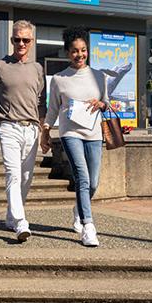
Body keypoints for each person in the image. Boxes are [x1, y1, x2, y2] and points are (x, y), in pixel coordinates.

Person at [40, 26, 108, 247]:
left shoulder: (99, 76)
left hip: (94, 132)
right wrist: (46, 130)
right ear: (67, 53)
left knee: (94, 181)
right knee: (83, 177)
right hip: (70, 133)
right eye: (75, 51)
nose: (80, 55)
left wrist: (101, 104)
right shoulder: (59, 79)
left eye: (83, 50)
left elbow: (106, 103)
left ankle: (79, 208)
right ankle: (88, 226)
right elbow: (52, 109)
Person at [0, 20, 46, 242]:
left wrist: (43, 130)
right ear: (12, 40)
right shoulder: (0, 66)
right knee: (13, 174)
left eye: (26, 40)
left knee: (27, 177)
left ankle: (11, 216)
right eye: (17, 39)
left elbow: (41, 102)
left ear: (31, 42)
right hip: (8, 126)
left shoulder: (37, 69)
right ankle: (21, 223)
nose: (21, 43)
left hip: (32, 129)